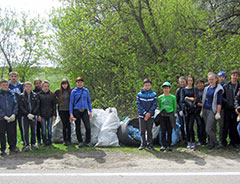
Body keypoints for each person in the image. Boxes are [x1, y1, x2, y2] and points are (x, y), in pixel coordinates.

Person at [202, 72, 223, 149]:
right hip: (205, 109)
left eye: (212, 79)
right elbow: (204, 99)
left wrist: (218, 112)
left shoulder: (218, 89)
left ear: (216, 79)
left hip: (212, 110)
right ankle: (211, 144)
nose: (211, 81)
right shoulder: (207, 88)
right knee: (212, 128)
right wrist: (202, 110)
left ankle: (216, 142)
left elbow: (219, 102)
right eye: (209, 79)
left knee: (208, 129)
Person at [69, 77, 92, 148]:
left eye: (81, 82)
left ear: (83, 83)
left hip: (84, 111)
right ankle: (80, 141)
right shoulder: (74, 91)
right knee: (77, 127)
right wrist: (71, 113)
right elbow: (71, 103)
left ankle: (87, 142)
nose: (80, 83)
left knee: (88, 126)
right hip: (76, 111)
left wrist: (90, 111)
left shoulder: (86, 90)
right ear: (76, 83)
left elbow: (89, 101)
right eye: (78, 82)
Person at [136, 78, 157, 150]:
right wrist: (145, 113)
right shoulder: (139, 94)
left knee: (149, 130)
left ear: (151, 86)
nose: (147, 86)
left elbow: (154, 105)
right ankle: (142, 144)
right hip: (142, 115)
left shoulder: (154, 94)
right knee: (142, 130)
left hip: (150, 116)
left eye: (148, 85)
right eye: (146, 85)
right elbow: (139, 105)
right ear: (143, 86)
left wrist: (149, 113)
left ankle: (150, 144)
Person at [0, 78, 19, 156]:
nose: (5, 86)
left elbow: (16, 104)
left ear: (8, 85)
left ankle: (12, 147)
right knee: (2, 133)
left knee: (12, 132)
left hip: (12, 117)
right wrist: (3, 115)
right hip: (2, 118)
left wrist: (14, 114)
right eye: (3, 85)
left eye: (6, 85)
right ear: (0, 85)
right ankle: (3, 148)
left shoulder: (12, 93)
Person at [19, 82, 39, 151]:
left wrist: (33, 113)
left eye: (29, 86)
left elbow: (37, 105)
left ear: (31, 87)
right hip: (25, 116)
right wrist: (27, 114)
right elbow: (21, 106)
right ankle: (26, 144)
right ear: (24, 87)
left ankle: (33, 144)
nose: (28, 88)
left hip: (33, 116)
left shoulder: (35, 95)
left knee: (33, 130)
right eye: (26, 86)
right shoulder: (21, 96)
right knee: (26, 131)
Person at [222, 70, 240, 148]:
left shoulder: (239, 86)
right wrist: (227, 102)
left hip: (236, 109)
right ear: (230, 76)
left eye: (236, 75)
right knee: (226, 125)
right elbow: (222, 97)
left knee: (234, 126)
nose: (235, 77)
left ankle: (234, 142)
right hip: (227, 108)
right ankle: (224, 141)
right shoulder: (226, 86)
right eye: (233, 75)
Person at [157, 82, 176, 151]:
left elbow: (174, 106)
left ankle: (169, 144)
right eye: (164, 88)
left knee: (169, 130)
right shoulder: (160, 97)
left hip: (170, 115)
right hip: (163, 115)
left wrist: (173, 113)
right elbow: (159, 105)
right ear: (162, 89)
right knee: (163, 130)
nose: (166, 90)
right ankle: (163, 145)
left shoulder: (173, 97)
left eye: (167, 88)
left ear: (169, 89)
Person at [181, 75, 198, 149]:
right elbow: (182, 100)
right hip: (186, 110)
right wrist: (190, 99)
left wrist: (188, 98)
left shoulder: (195, 89)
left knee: (191, 126)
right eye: (189, 80)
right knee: (187, 127)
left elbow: (196, 99)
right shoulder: (183, 90)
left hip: (193, 110)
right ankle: (188, 141)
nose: (190, 82)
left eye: (191, 80)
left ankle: (193, 141)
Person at [38, 80, 56, 146]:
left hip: (50, 114)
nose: (46, 88)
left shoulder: (52, 94)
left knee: (49, 129)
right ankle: (44, 141)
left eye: (47, 86)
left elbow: (54, 105)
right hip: (42, 114)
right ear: (42, 86)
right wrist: (38, 115)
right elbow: (38, 106)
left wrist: (54, 114)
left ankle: (50, 141)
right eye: (45, 86)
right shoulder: (39, 95)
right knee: (43, 129)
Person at [8, 71, 24, 143]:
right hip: (11, 109)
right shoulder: (7, 85)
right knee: (12, 127)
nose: (13, 78)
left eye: (15, 76)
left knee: (22, 125)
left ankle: (24, 141)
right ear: (9, 77)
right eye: (12, 76)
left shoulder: (21, 85)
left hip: (20, 108)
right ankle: (13, 143)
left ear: (17, 77)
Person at [55, 79, 72, 146]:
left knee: (69, 125)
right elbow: (53, 98)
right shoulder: (58, 91)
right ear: (61, 85)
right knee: (64, 125)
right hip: (61, 110)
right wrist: (58, 102)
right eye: (63, 84)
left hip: (69, 110)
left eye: (66, 84)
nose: (64, 85)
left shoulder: (70, 91)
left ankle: (69, 139)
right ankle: (65, 140)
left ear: (68, 84)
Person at [175, 76, 187, 143]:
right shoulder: (178, 90)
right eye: (181, 82)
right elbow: (176, 101)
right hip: (180, 111)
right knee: (181, 125)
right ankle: (183, 139)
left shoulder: (188, 89)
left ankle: (189, 138)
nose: (182, 83)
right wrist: (179, 110)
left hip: (187, 110)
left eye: (183, 81)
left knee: (188, 125)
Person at [196, 78, 207, 145]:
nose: (200, 84)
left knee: (205, 125)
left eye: (201, 83)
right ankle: (200, 140)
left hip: (205, 110)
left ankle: (204, 140)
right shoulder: (196, 91)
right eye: (199, 83)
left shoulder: (206, 90)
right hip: (197, 110)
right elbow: (195, 100)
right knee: (199, 125)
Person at [33, 78, 42, 145]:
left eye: (39, 83)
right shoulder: (33, 92)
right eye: (36, 83)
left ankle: (45, 139)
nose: (38, 85)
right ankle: (38, 140)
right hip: (36, 112)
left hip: (44, 111)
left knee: (44, 127)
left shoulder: (44, 90)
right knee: (37, 127)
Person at [217, 71, 226, 143]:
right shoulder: (215, 85)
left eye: (222, 77)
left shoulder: (226, 86)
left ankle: (221, 140)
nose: (221, 78)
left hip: (222, 107)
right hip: (214, 107)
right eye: (220, 77)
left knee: (221, 125)